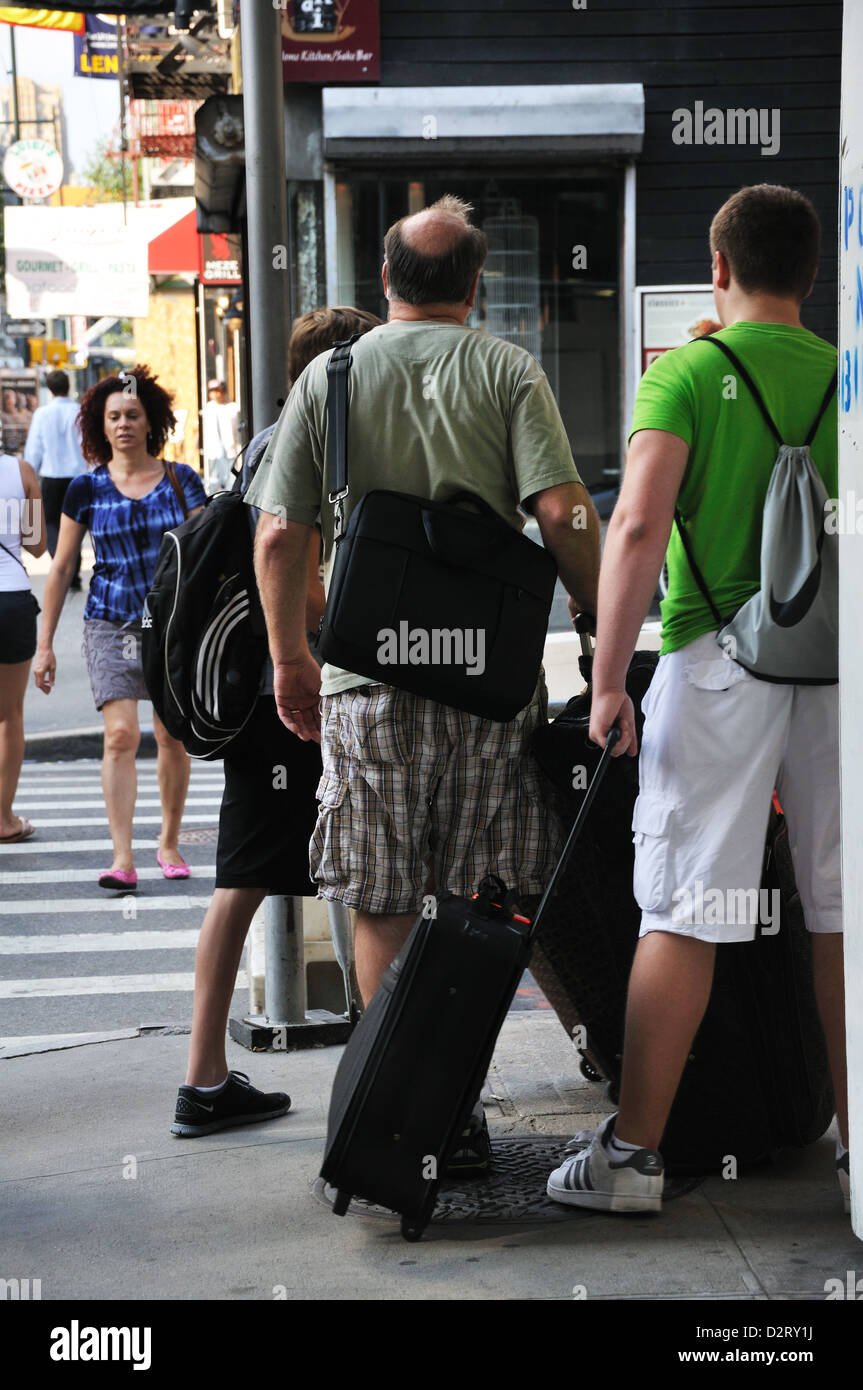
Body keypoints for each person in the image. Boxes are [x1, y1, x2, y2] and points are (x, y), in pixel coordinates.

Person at [246, 194, 600, 1168]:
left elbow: (278, 533)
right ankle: (460, 1104)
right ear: (475, 286)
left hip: (367, 680)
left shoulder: (331, 375)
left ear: (387, 283)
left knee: (381, 895)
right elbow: (564, 511)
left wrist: (289, 656)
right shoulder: (505, 369)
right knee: (482, 902)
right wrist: (597, 616)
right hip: (486, 684)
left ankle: (406, 1116)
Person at [546, 183, 848, 1215]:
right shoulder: (847, 379)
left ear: (718, 270)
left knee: (688, 906)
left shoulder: (686, 372)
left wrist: (605, 677)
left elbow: (633, 528)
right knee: (841, 910)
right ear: (812, 274)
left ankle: (632, 1158)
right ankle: (857, 1149)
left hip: (716, 665)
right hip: (838, 670)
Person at [172, 305, 381, 1138]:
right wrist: (354, 626)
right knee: (323, 871)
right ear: (336, 369)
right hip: (284, 695)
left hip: (269, 692)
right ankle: (207, 1077)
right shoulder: (303, 438)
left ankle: (210, 1075)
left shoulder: (270, 436)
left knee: (264, 874)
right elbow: (287, 558)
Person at [32, 366, 207, 890]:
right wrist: (45, 646)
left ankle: (170, 842)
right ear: (99, 426)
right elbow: (62, 567)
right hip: (109, 621)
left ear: (150, 421)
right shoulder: (85, 489)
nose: (124, 424)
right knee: (121, 735)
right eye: (114, 417)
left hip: (172, 623)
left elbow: (203, 556)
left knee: (172, 736)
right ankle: (122, 856)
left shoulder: (182, 481)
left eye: (133, 414)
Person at [0, 446, 46, 842]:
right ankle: (3, 819)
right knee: (9, 714)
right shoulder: (21, 471)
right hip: (11, 600)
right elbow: (35, 545)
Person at [23, 369, 87, 592]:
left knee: (51, 523)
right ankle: (74, 571)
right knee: (76, 524)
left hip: (51, 476)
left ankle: (60, 565)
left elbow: (34, 449)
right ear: (68, 385)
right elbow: (86, 445)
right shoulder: (79, 411)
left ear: (49, 389)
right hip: (78, 476)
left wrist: (30, 473)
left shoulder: (42, 414)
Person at [202, 379, 242, 494]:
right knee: (213, 480)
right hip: (213, 452)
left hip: (230, 450)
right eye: (212, 391)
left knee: (231, 479)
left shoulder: (232, 408)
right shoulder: (209, 408)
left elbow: (237, 428)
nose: (215, 394)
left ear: (223, 391)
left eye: (217, 390)